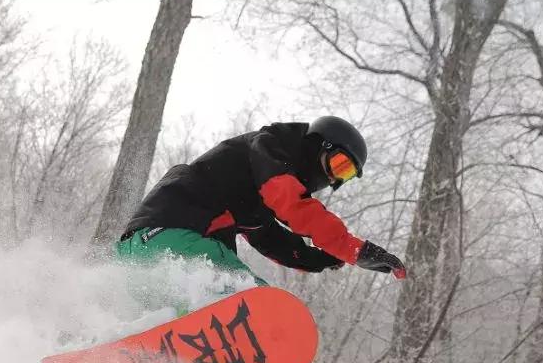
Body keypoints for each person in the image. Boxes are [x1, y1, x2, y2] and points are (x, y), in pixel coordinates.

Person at [115, 116, 407, 295]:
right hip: (174, 235)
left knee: (173, 315)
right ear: (321, 145)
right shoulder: (270, 147)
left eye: (344, 175)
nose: (332, 177)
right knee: (256, 301)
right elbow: (291, 203)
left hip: (142, 252)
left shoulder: (254, 196)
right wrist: (353, 249)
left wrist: (320, 258)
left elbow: (269, 238)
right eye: (339, 164)